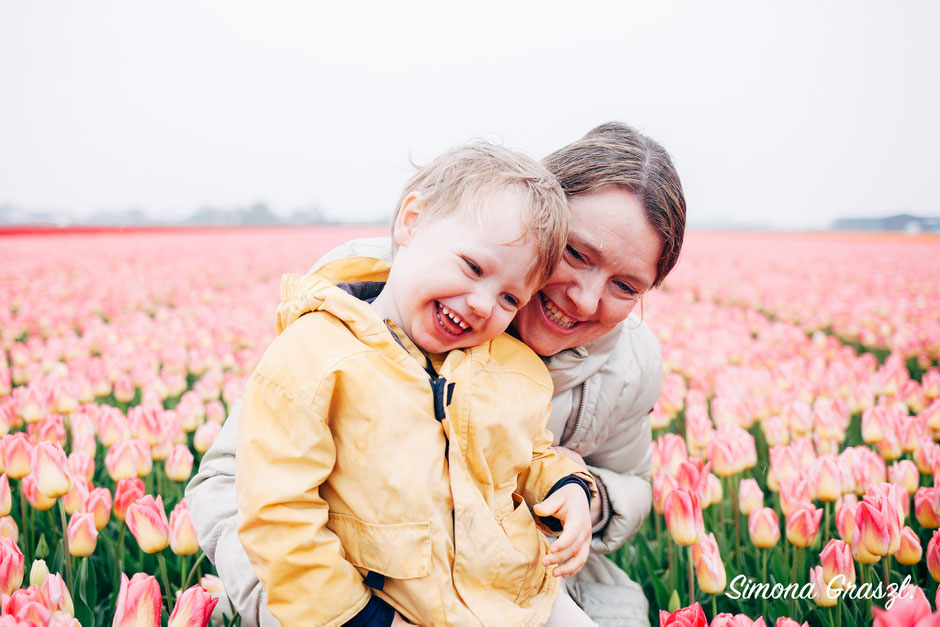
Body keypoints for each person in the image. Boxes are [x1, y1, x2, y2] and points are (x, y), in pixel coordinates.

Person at [187, 121, 687, 627]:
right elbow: (242, 490)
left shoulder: (611, 362)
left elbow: (582, 467)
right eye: (576, 254)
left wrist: (580, 493)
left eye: (626, 286)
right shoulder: (349, 321)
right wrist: (346, 616)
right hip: (363, 584)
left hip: (519, 579)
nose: (584, 298)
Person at [232, 142, 597, 626]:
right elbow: (278, 514)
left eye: (510, 297)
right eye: (473, 267)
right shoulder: (314, 358)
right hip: (386, 611)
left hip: (514, 602)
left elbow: (529, 455)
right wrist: (359, 618)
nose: (485, 305)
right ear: (412, 221)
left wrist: (569, 488)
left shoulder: (512, 367)